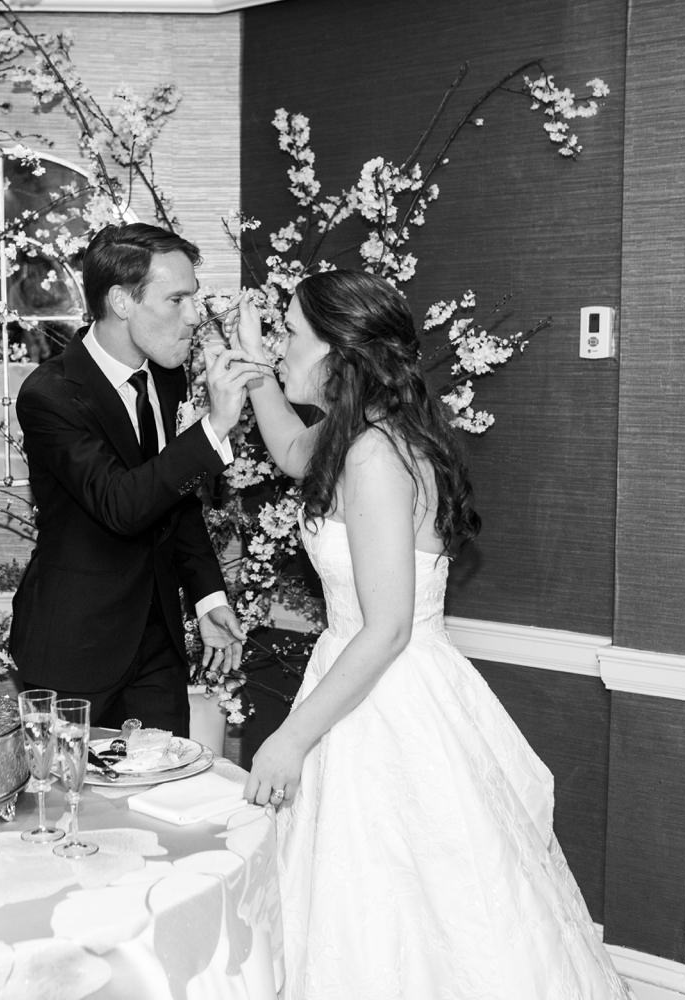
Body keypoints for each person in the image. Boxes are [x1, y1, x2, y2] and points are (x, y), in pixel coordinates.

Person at [226, 271, 632, 999]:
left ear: (340, 350)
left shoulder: (373, 455)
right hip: (369, 678)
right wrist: (258, 371)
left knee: (397, 898)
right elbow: (290, 452)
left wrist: (291, 737)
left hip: (382, 689)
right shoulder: (364, 434)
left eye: (290, 333)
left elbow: (383, 632)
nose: (282, 346)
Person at [8, 223, 252, 736]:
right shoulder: (49, 394)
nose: (193, 317)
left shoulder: (165, 375)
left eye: (195, 299)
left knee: (166, 796)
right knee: (71, 802)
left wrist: (208, 597)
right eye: (177, 300)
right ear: (122, 301)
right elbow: (121, 504)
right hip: (73, 648)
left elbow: (173, 498)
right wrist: (213, 427)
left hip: (158, 645)